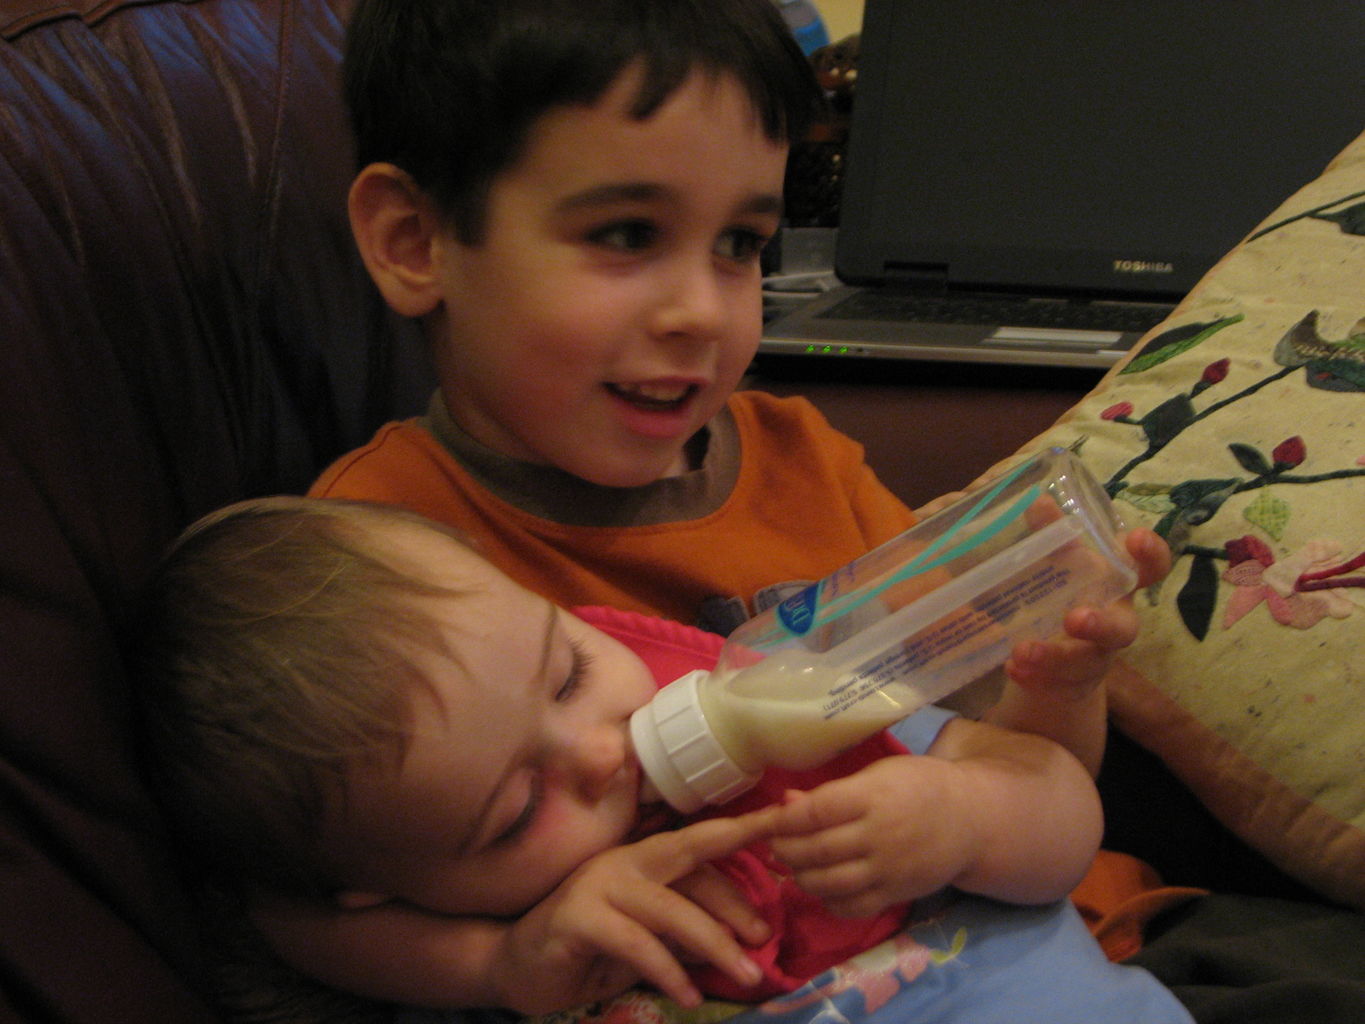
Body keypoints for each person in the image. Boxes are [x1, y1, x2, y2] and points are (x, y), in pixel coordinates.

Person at [312, 0, 1170, 781]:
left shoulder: (805, 462)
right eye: (626, 233)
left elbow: (1020, 776)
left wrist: (1057, 685)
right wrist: (502, 959)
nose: (701, 313)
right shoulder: (372, 556)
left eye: (737, 243)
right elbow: (317, 889)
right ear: (415, 241)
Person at [130, 497, 1191, 1021]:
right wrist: (498, 966)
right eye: (516, 811)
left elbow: (1056, 819)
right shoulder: (514, 929)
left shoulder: (772, 698)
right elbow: (290, 918)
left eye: (565, 673)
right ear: (394, 882)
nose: (599, 753)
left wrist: (968, 808)